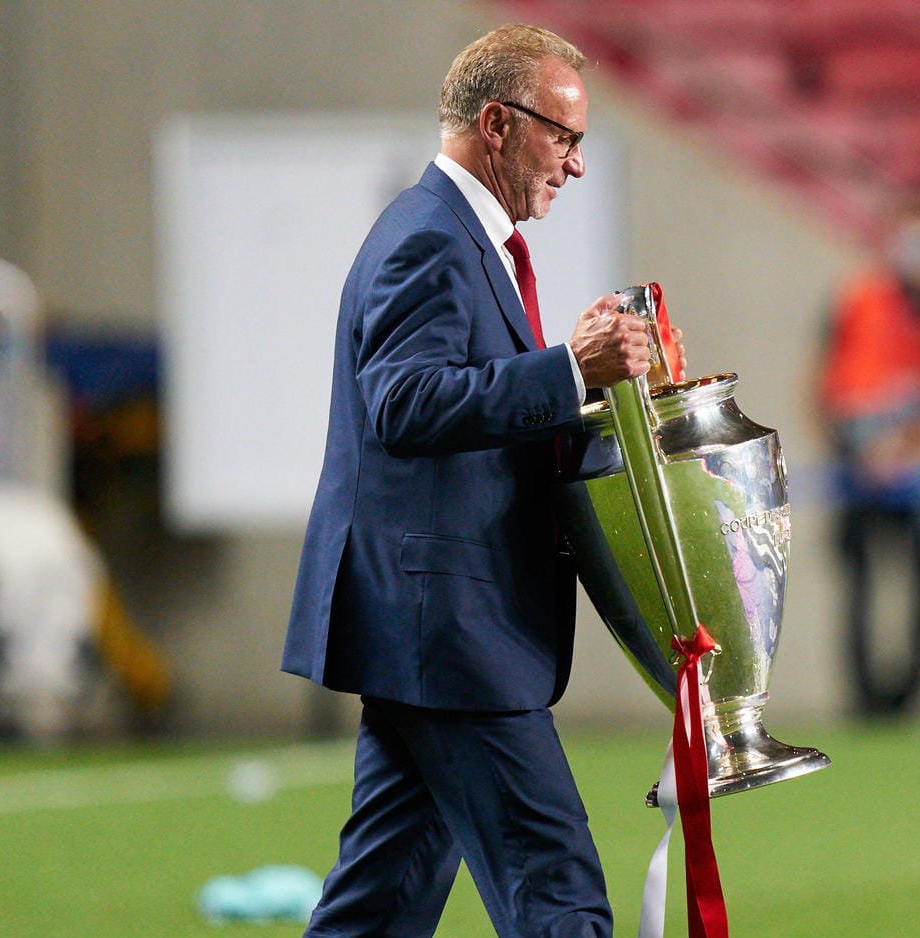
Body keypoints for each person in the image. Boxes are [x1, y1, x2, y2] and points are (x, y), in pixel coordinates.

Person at [282, 25, 660, 938]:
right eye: (562, 137)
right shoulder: (432, 237)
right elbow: (405, 405)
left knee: (379, 905)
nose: (573, 166)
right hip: (450, 631)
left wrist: (579, 387)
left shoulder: (450, 235)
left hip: (431, 629)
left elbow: (468, 412)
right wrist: (567, 370)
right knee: (557, 890)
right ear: (496, 123)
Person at [816, 199, 920, 716]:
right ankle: (868, 700)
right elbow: (829, 381)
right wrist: (854, 447)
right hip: (861, 466)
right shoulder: (861, 299)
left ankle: (910, 693)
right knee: (862, 588)